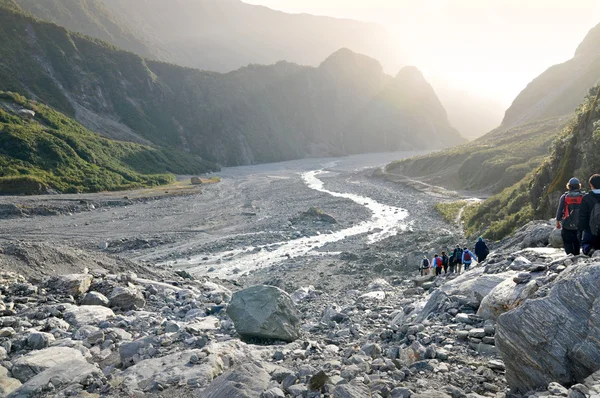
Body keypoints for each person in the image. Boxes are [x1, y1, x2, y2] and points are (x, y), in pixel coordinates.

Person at [556, 177, 584, 255]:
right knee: (577, 240)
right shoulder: (583, 196)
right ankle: (577, 255)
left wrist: (558, 221)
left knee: (567, 241)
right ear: (579, 186)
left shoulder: (564, 197)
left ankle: (569, 256)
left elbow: (560, 210)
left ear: (569, 186)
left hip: (566, 223)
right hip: (579, 224)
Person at [579, 174, 600, 256]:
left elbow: (583, 216)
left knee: (585, 243)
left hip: (591, 231)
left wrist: (581, 229)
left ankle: (590, 250)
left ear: (591, 185)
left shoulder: (586, 198)